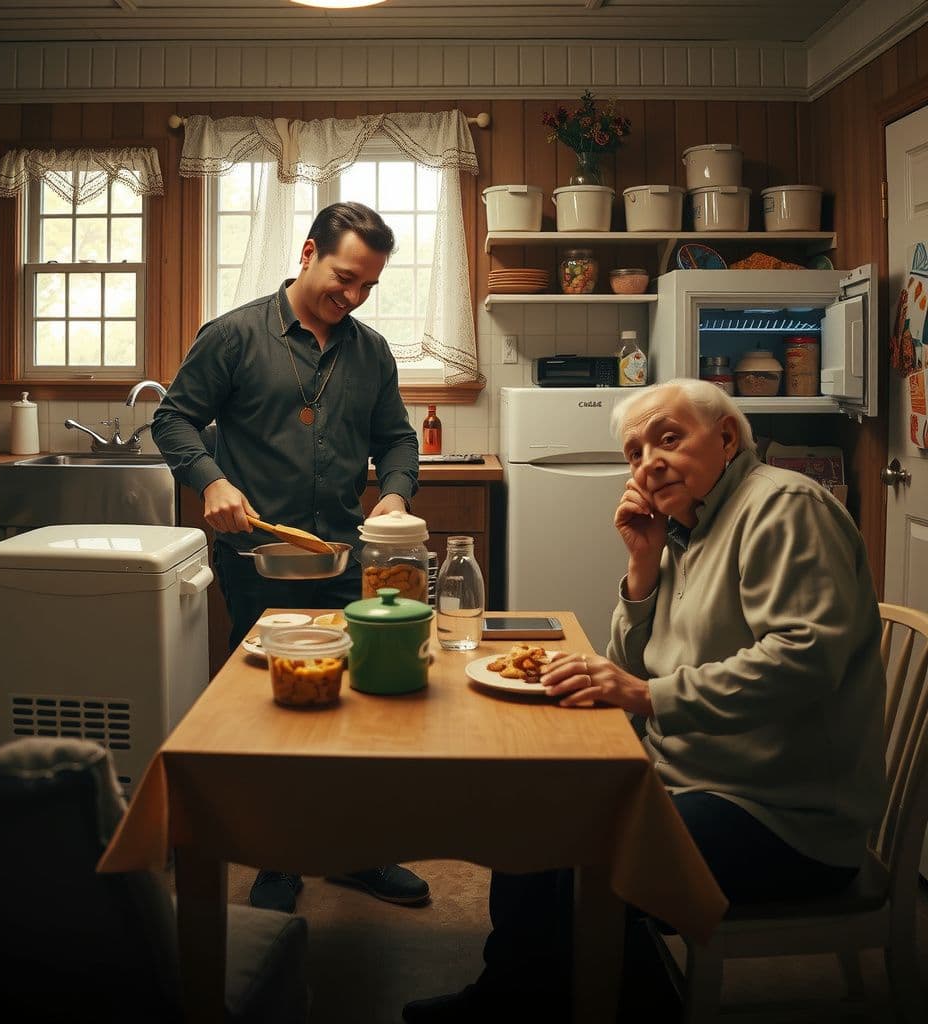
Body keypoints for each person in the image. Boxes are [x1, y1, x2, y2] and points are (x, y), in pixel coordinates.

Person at [402, 378, 887, 1022]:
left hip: (785, 815)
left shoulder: (782, 506)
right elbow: (630, 671)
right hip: (687, 779)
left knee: (596, 853)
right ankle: (510, 996)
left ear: (726, 438)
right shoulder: (687, 529)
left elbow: (802, 660)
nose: (648, 461)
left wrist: (643, 694)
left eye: (668, 438)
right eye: (634, 452)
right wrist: (642, 567)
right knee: (528, 817)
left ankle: (613, 1003)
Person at [152, 201, 429, 915]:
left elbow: (398, 439)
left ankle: (357, 852)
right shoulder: (235, 336)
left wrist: (395, 495)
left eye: (368, 285)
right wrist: (210, 480)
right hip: (256, 559)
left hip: (343, 557)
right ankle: (278, 859)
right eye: (345, 278)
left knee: (360, 705)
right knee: (278, 710)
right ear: (308, 252)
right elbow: (173, 417)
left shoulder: (371, 351)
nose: (355, 296)